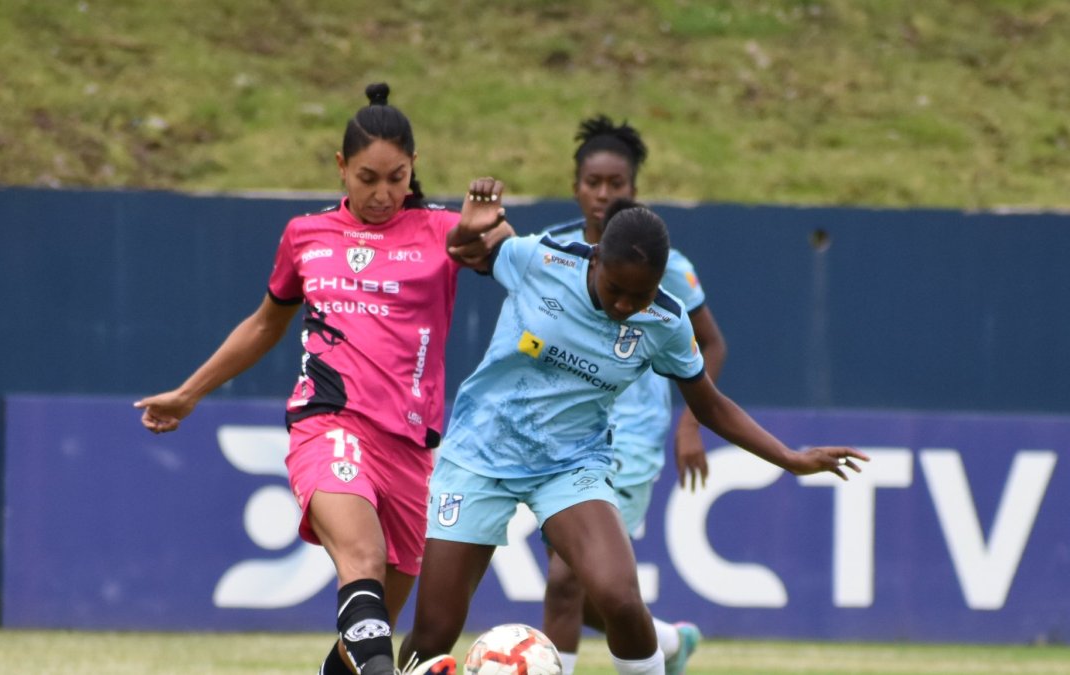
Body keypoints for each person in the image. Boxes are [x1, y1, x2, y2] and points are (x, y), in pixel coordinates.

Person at [398, 190, 868, 675]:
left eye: (638, 295)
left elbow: (710, 406)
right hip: (480, 453)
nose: (624, 305)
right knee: (434, 631)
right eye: (615, 288)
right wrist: (469, 228)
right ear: (597, 257)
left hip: (569, 465)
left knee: (619, 598)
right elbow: (464, 249)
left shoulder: (665, 321)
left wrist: (789, 457)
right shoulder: (540, 260)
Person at [134, 83, 510, 675]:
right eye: (367, 178)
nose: (384, 194)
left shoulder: (443, 232)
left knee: (367, 635)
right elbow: (264, 325)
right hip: (328, 424)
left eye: (397, 177)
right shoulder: (305, 236)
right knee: (361, 557)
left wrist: (492, 236)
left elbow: (510, 268)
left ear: (414, 169)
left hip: (413, 450)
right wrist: (189, 394)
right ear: (341, 168)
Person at [540, 115, 725, 674]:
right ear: (575, 185)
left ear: (633, 189)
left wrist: (690, 424)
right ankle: (666, 642)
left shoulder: (664, 266)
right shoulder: (555, 252)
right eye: (593, 182)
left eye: (615, 183)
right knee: (589, 590)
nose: (603, 194)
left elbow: (710, 344)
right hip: (562, 438)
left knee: (565, 579)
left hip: (631, 439)